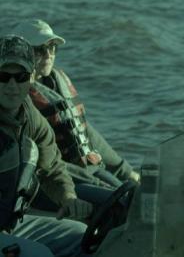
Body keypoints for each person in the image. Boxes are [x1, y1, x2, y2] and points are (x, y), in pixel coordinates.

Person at [10, 19, 139, 194]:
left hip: (88, 170)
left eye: (52, 47)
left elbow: (85, 133)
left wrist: (126, 171)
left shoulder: (56, 81)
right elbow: (43, 161)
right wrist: (94, 181)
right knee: (120, 201)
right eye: (40, 49)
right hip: (56, 181)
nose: (48, 55)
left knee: (134, 191)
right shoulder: (16, 96)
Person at [0, 35, 95, 257]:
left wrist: (68, 198)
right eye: (3, 76)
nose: (12, 86)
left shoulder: (31, 117)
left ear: (31, 78)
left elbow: (51, 168)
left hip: (9, 222)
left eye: (20, 76)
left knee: (80, 236)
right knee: (39, 254)